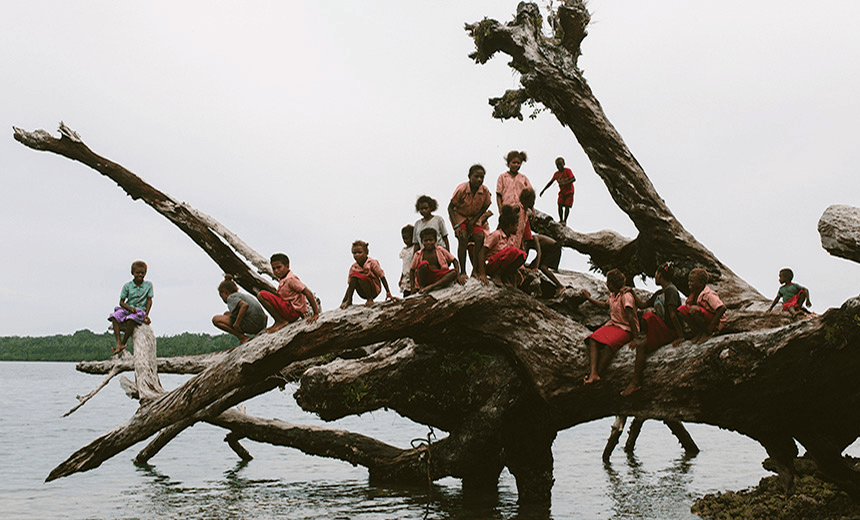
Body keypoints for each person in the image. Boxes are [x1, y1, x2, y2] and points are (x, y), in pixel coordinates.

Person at [620, 263, 684, 397]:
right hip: (663, 328)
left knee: (642, 345)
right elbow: (643, 305)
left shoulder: (671, 290)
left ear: (659, 275)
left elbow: (673, 314)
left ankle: (635, 382)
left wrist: (680, 336)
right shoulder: (661, 292)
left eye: (656, 274)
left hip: (670, 331)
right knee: (647, 315)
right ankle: (646, 338)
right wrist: (631, 292)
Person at [582, 269, 640, 385]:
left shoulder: (626, 296)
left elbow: (630, 318)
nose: (606, 284)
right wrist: (588, 298)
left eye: (608, 282)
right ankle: (593, 373)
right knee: (593, 339)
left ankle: (598, 374)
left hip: (626, 328)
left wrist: (636, 338)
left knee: (609, 346)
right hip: (614, 325)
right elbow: (604, 305)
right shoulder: (612, 295)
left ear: (613, 284)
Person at [257, 253, 321, 332]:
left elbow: (308, 292)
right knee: (270, 295)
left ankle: (280, 321)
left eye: (279, 267)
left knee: (261, 295)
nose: (276, 271)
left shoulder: (291, 279)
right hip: (288, 310)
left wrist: (316, 313)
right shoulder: (283, 279)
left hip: (292, 311)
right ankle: (279, 320)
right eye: (274, 268)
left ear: (287, 266)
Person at [519, 187, 565, 297]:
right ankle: (537, 290)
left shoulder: (534, 238)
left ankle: (560, 286)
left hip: (554, 248)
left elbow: (539, 253)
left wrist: (535, 267)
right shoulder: (527, 242)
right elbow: (525, 254)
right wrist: (525, 266)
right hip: (547, 250)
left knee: (543, 268)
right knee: (531, 268)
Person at [448, 164, 493, 276]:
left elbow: (485, 206)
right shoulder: (462, 189)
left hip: (474, 217)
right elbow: (450, 208)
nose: (479, 180)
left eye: (482, 177)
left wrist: (474, 220)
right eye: (476, 176)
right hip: (460, 216)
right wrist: (456, 226)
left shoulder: (485, 191)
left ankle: (475, 270)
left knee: (480, 237)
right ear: (469, 176)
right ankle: (463, 271)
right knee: (462, 238)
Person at [107, 260, 153, 355]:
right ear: (133, 273)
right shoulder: (127, 286)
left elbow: (149, 300)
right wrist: (129, 308)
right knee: (114, 317)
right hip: (128, 308)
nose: (140, 275)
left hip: (139, 310)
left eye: (142, 273)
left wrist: (146, 315)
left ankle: (124, 343)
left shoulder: (148, 285)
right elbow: (121, 302)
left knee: (131, 319)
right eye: (137, 273)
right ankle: (118, 343)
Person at [477, 205, 527, 288]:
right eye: (516, 225)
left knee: (522, 255)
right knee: (513, 251)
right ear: (510, 225)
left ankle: (506, 276)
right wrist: (483, 274)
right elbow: (482, 251)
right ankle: (496, 276)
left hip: (502, 264)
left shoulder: (510, 239)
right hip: (491, 264)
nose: (517, 228)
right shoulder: (496, 235)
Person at [340, 240, 397, 308]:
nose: (357, 255)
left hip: (373, 289)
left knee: (362, 278)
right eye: (354, 253)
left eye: (359, 252)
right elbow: (350, 285)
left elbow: (382, 276)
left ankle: (370, 299)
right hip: (362, 292)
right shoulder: (354, 267)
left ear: (366, 252)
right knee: (354, 277)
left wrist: (388, 292)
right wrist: (345, 300)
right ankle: (349, 300)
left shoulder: (371, 263)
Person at [212, 274, 267, 344]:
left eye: (221, 296)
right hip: (260, 325)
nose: (222, 299)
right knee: (226, 314)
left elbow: (244, 306)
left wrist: (237, 324)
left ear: (225, 292)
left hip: (252, 324)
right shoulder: (243, 296)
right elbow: (265, 316)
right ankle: (248, 334)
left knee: (216, 320)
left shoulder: (231, 298)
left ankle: (242, 337)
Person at [677, 268, 726, 344]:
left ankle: (706, 333)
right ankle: (698, 332)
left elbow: (722, 308)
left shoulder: (709, 294)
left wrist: (711, 327)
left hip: (715, 321)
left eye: (692, 281)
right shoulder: (693, 294)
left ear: (701, 283)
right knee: (681, 310)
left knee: (694, 309)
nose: (689, 283)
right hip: (704, 316)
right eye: (689, 281)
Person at [496, 150, 533, 242]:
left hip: (521, 211)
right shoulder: (502, 177)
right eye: (514, 162)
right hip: (508, 209)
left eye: (518, 163)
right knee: (505, 234)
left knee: (522, 235)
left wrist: (531, 209)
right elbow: (499, 195)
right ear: (508, 163)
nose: (516, 165)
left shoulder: (523, 178)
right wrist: (500, 210)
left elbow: (530, 195)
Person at [410, 228, 461, 294]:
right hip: (426, 279)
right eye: (426, 240)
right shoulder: (418, 254)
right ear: (422, 242)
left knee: (454, 272)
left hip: (439, 277)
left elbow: (454, 261)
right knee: (423, 264)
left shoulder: (441, 250)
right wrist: (412, 287)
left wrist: (458, 276)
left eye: (431, 240)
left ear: (435, 240)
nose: (428, 242)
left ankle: (431, 287)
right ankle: (423, 287)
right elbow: (412, 270)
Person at [539, 156, 575, 225]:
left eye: (560, 164)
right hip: (562, 192)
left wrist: (565, 183)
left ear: (564, 164)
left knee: (567, 206)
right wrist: (543, 190)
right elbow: (550, 182)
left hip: (569, 191)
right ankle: (561, 220)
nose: (559, 166)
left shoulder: (568, 171)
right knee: (559, 204)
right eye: (557, 165)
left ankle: (565, 220)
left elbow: (573, 179)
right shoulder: (556, 174)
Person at [398, 225, 415, 297]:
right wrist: (401, 278)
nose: (405, 241)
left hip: (412, 275)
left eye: (407, 238)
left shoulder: (414, 248)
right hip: (405, 276)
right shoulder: (403, 250)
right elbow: (404, 265)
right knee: (406, 294)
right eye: (403, 238)